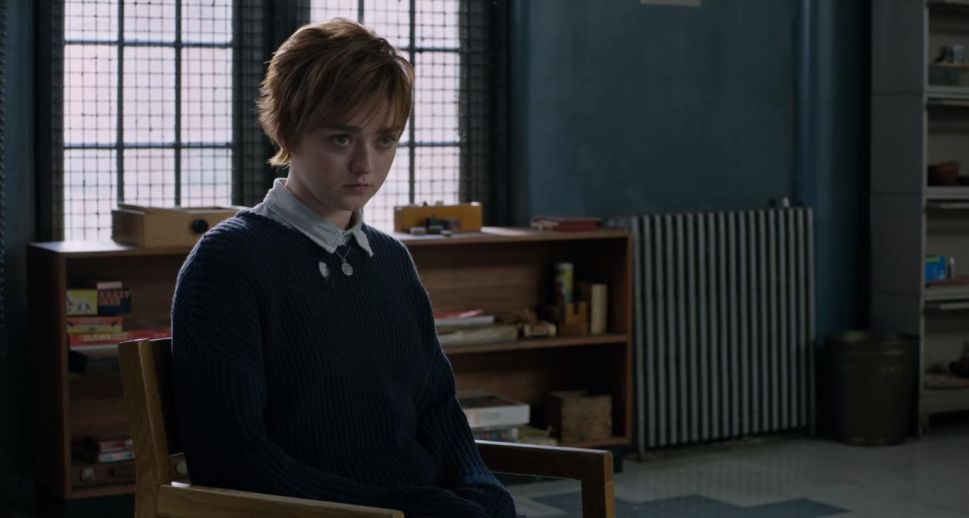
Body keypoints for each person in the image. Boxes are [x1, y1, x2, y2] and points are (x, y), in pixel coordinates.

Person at [171, 19, 517, 518]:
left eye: (385, 140)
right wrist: (398, 509)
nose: (365, 165)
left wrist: (483, 488)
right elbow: (231, 457)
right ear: (287, 131)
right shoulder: (229, 262)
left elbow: (437, 408)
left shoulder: (391, 260)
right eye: (340, 139)